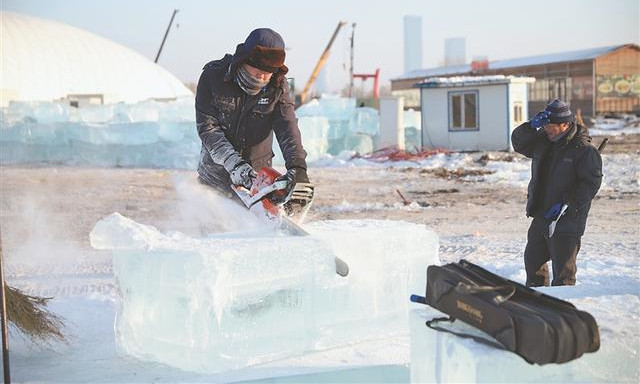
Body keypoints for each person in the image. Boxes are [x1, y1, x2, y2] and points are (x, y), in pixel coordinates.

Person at [195, 28, 309, 203]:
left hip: (256, 181)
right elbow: (208, 129)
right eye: (257, 70)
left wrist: (297, 166)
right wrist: (235, 165)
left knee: (253, 229)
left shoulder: (277, 86)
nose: (262, 77)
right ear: (244, 60)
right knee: (212, 226)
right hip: (215, 176)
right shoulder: (214, 77)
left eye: (268, 72)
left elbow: (287, 125)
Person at [511, 99, 603, 286]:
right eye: (545, 124)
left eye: (552, 125)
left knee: (563, 275)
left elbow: (591, 182)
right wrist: (530, 126)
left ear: (566, 124)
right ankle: (537, 305)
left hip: (567, 219)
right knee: (533, 266)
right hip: (541, 215)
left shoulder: (583, 150)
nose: (547, 129)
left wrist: (567, 204)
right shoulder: (543, 142)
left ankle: (562, 311)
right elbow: (519, 144)